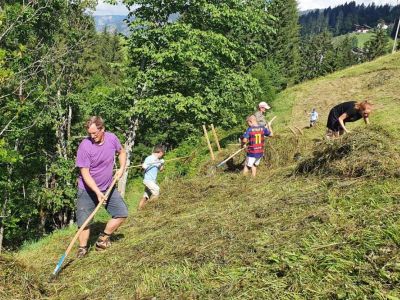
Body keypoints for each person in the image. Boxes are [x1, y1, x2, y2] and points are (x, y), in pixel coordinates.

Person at [75, 116, 127, 258]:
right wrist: (97, 192)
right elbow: (84, 173)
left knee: (122, 213)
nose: (92, 136)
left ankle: (102, 239)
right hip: (87, 190)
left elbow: (121, 152)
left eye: (95, 133)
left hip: (107, 187)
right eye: (89, 134)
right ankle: (82, 248)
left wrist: (121, 168)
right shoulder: (85, 146)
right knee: (84, 221)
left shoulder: (112, 139)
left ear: (102, 129)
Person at [138, 145, 165, 210]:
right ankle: (147, 208)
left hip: (153, 181)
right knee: (157, 190)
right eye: (162, 154)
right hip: (148, 180)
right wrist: (144, 165)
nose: (162, 156)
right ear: (160, 152)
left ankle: (139, 210)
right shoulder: (149, 158)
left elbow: (161, 169)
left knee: (146, 196)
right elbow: (144, 167)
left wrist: (162, 163)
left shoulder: (158, 160)